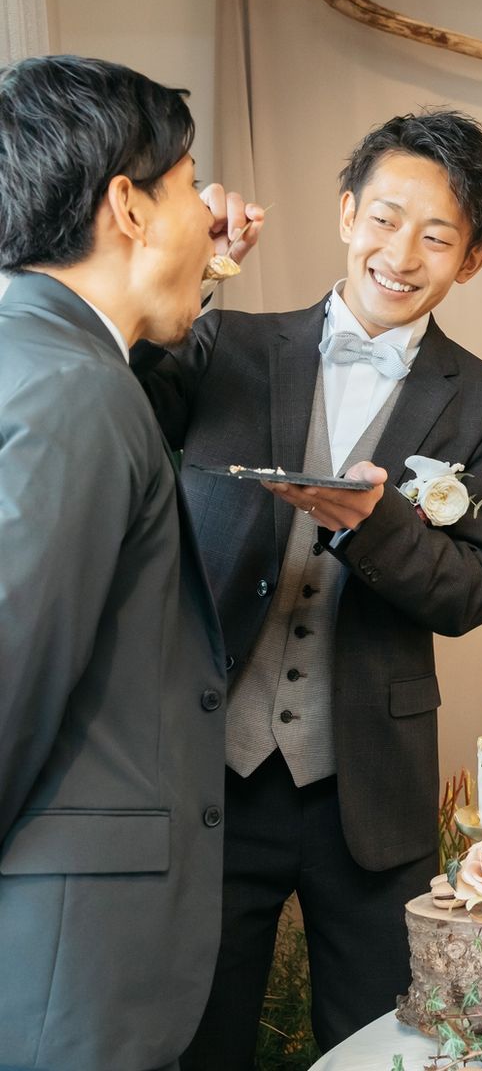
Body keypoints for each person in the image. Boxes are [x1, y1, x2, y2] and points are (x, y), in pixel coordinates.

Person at [133, 110, 482, 1065]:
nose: (402, 254)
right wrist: (193, 269)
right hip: (214, 777)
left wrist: (374, 524)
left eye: (437, 237)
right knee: (200, 1044)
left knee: (379, 1046)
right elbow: (115, 397)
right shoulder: (226, 342)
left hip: (370, 789)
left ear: (471, 260)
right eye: (385, 219)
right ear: (348, 213)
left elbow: (470, 593)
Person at [0, 55, 257, 1071]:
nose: (208, 213)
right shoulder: (76, 390)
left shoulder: (39, 354)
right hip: (68, 978)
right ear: (128, 206)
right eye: (189, 186)